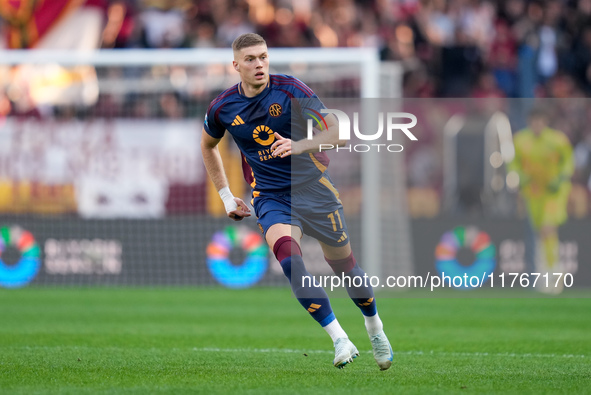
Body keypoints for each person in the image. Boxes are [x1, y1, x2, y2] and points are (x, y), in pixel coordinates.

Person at [200, 33, 393, 370]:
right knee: (290, 261)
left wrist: (298, 145)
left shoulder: (290, 90)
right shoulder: (223, 107)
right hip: (271, 196)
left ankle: (373, 325)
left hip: (314, 190)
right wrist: (227, 196)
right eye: (250, 59)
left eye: (262, 56)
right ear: (236, 65)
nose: (259, 64)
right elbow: (207, 145)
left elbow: (338, 133)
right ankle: (339, 339)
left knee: (346, 268)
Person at [509, 107, 574, 293]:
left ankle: (554, 271)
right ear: (530, 122)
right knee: (540, 231)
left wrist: (561, 178)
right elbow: (513, 164)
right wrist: (520, 177)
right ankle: (546, 271)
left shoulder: (557, 140)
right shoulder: (521, 141)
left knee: (547, 227)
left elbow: (568, 161)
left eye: (540, 121)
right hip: (533, 193)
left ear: (545, 122)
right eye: (534, 121)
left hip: (553, 193)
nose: (537, 125)